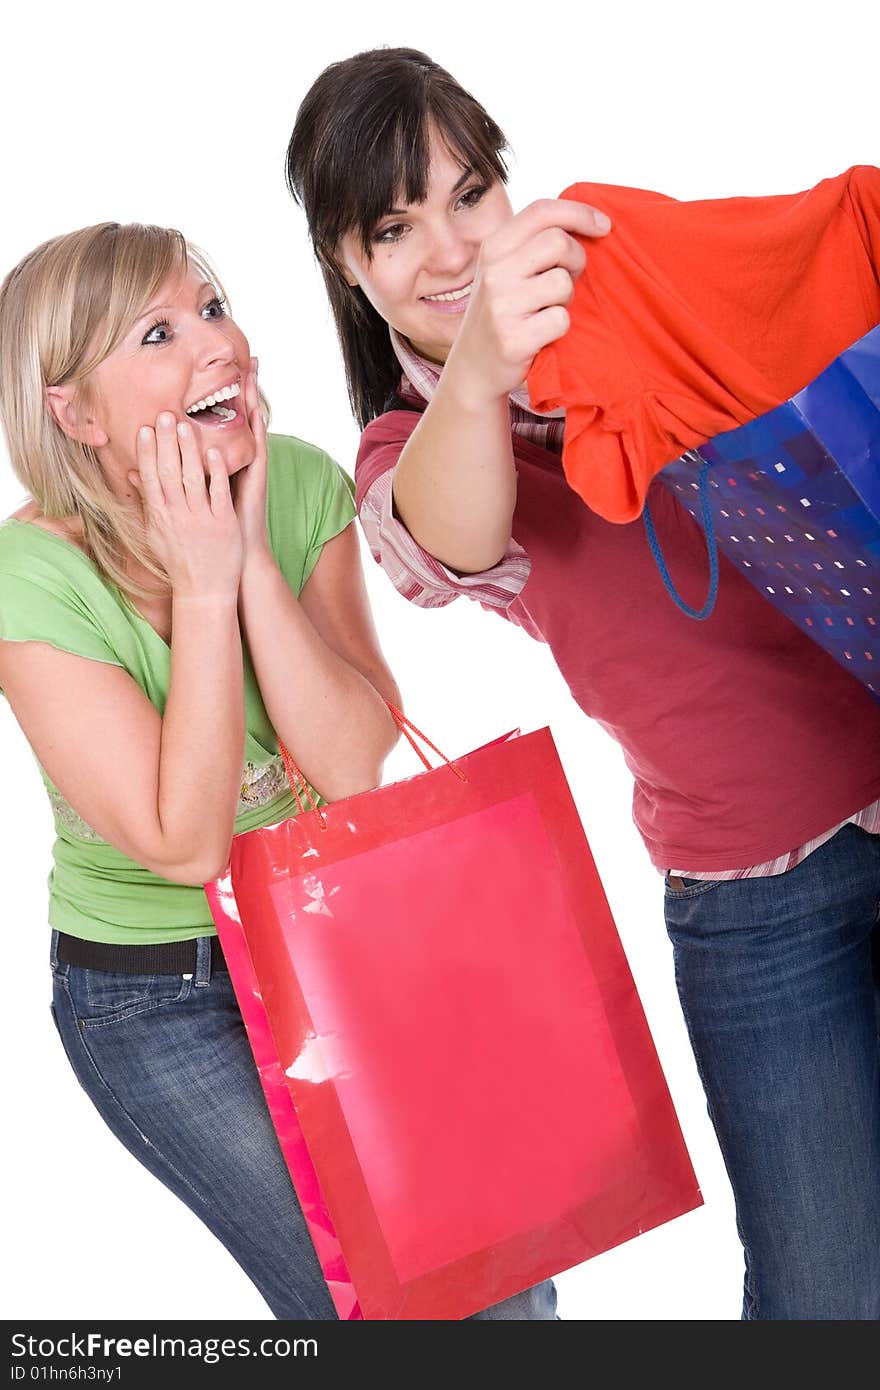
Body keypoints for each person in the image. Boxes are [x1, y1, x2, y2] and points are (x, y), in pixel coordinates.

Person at [286, 48, 880, 1320]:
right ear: (347, 263)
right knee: (828, 1302)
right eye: (394, 227)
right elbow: (448, 534)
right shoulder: (405, 447)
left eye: (468, 193)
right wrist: (491, 363)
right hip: (757, 903)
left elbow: (818, 271)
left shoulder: (632, 287)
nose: (448, 248)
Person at [0, 221, 556, 1320]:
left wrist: (248, 555)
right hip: (161, 999)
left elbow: (353, 759)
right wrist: (203, 591)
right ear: (78, 414)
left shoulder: (294, 484)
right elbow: (185, 841)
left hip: (334, 937)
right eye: (160, 332)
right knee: (389, 1310)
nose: (220, 345)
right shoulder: (30, 577)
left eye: (211, 307)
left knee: (500, 1284)